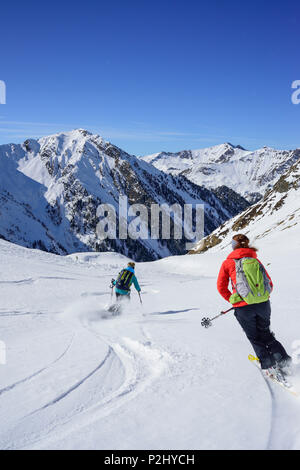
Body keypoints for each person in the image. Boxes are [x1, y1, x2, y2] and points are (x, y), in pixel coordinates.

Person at [217, 234, 291, 374]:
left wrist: (234, 300)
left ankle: (269, 365)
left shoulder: (228, 263)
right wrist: (261, 297)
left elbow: (221, 287)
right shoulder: (255, 260)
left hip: (243, 308)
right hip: (263, 304)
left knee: (254, 337)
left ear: (234, 246)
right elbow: (269, 283)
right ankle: (284, 361)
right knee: (266, 333)